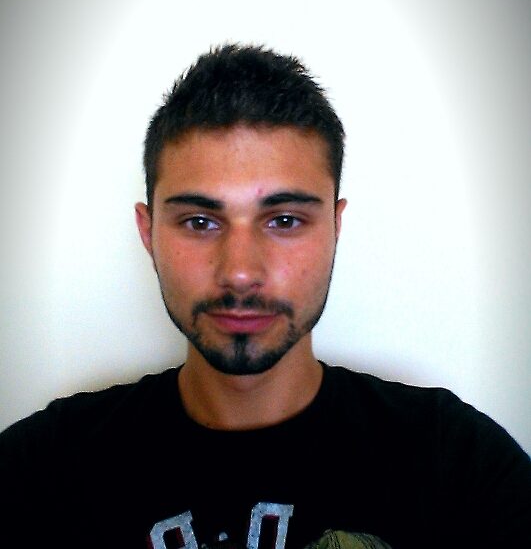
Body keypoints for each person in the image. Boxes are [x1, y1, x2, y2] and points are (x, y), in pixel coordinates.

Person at [0, 44, 530, 549]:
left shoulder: (458, 467)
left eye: (284, 220)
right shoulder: (42, 473)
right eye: (200, 221)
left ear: (335, 227)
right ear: (148, 232)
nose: (240, 273)